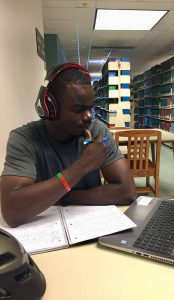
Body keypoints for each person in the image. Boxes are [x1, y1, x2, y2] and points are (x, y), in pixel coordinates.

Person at [0, 63, 136, 227]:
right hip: (46, 232)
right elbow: (12, 211)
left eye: (90, 108)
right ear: (51, 107)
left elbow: (127, 192)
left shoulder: (97, 131)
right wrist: (82, 166)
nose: (88, 117)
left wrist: (65, 196)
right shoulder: (24, 139)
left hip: (90, 226)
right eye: (79, 109)